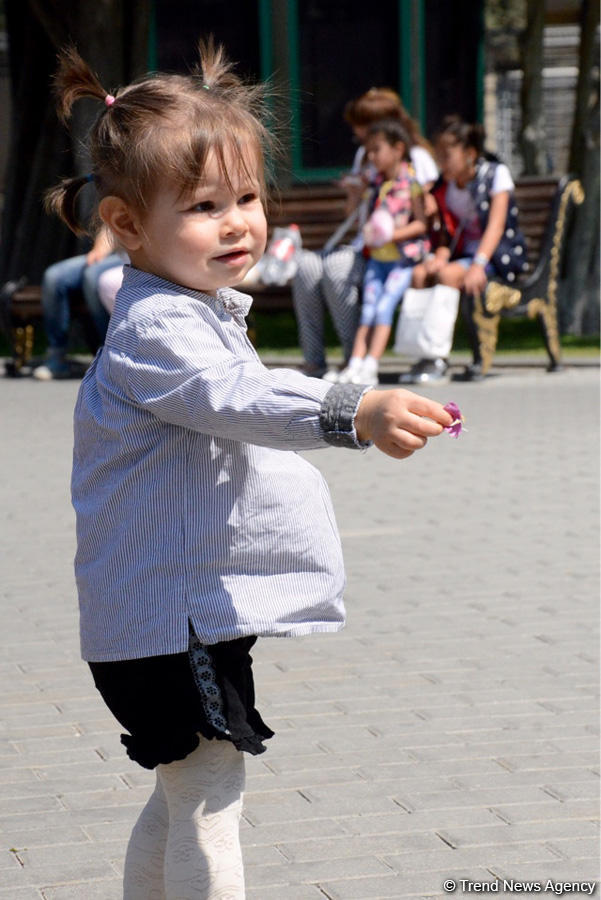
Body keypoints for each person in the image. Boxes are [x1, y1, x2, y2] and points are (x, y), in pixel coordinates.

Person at [45, 41, 454, 899]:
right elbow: (236, 397)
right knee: (208, 793)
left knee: (184, 788)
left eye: (246, 197)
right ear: (125, 225)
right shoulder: (160, 330)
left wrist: (354, 400)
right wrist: (355, 410)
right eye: (203, 205)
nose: (237, 221)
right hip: (169, 622)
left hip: (167, 616)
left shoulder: (184, 311)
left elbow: (248, 384)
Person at [292, 87, 438, 379]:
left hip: (396, 252)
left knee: (337, 269)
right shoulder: (367, 155)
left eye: (363, 124)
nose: (358, 132)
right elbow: (354, 216)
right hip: (365, 243)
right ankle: (315, 360)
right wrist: (355, 194)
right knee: (304, 266)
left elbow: (429, 209)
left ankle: (353, 358)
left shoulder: (415, 160)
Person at [404, 115, 529, 383]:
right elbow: (442, 230)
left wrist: (478, 265)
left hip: (495, 257)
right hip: (459, 255)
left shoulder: (496, 174)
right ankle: (420, 354)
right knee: (419, 275)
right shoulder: (443, 185)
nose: (441, 162)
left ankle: (438, 357)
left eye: (447, 155)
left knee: (447, 276)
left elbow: (495, 227)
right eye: (438, 155)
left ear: (470, 153)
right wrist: (438, 254)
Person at [333, 120, 429, 386]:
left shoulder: (411, 183)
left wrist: (393, 235)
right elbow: (354, 215)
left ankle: (372, 364)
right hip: (377, 259)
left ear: (398, 149)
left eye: (376, 150)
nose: (371, 157)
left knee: (385, 306)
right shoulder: (373, 183)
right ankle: (356, 363)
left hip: (400, 261)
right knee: (369, 309)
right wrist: (354, 193)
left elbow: (421, 223)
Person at [32, 228, 123, 380]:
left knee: (93, 277)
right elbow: (110, 226)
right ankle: (56, 356)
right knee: (54, 277)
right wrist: (100, 249)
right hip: (114, 253)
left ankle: (109, 356)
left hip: (136, 254)